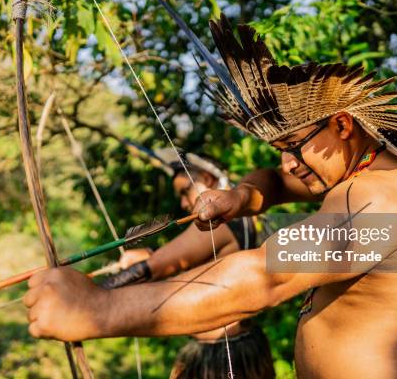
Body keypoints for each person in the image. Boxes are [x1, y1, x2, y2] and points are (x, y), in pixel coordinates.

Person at [23, 15, 397, 379]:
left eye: (293, 147)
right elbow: (273, 178)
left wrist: (95, 311)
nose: (289, 164)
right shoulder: (358, 176)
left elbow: (263, 278)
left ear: (343, 125)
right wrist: (243, 196)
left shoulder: (389, 202)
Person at [101, 150, 274, 379]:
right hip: (240, 347)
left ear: (208, 180)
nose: (183, 203)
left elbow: (159, 266)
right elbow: (182, 256)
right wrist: (151, 254)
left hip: (219, 356)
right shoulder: (240, 218)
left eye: (186, 191)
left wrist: (94, 295)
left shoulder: (218, 223)